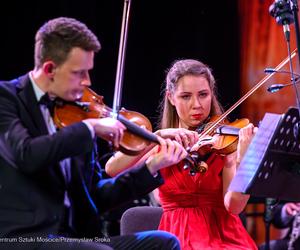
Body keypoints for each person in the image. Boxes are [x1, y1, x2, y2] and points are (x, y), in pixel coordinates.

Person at [0, 17, 190, 250]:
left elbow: (97, 196)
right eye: (79, 73)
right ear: (50, 69)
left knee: (163, 243)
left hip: (77, 238)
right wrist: (89, 128)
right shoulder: (7, 98)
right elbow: (26, 154)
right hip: (24, 239)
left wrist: (152, 167)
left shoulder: (79, 112)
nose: (87, 81)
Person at [105, 59, 258, 249]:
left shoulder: (225, 143)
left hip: (226, 238)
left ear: (212, 94)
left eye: (203, 94)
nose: (197, 105)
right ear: (171, 97)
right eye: (186, 96)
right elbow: (112, 169)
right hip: (176, 237)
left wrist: (241, 161)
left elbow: (234, 207)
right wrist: (156, 136)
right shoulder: (159, 143)